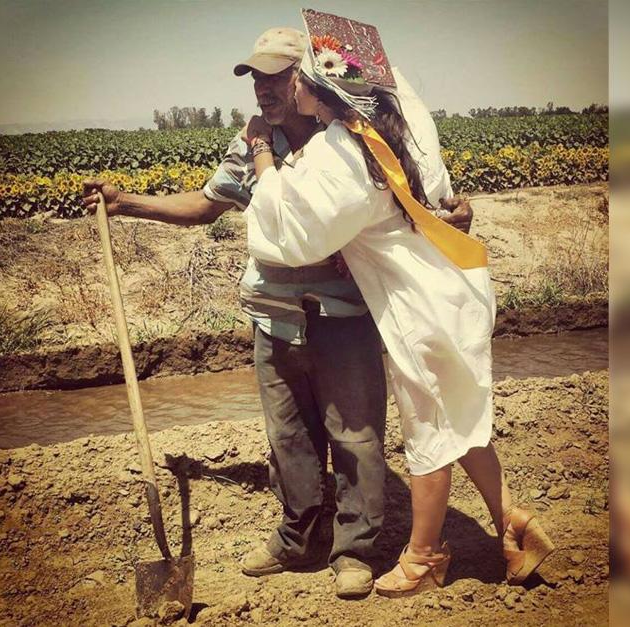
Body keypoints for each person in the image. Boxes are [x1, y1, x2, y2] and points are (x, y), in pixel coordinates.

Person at [82, 27, 472, 599]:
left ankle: (353, 550)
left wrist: (456, 215)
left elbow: (420, 201)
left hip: (343, 316)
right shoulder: (249, 146)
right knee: (288, 438)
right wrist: (126, 204)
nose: (262, 88)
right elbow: (204, 207)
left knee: (357, 436)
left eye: (274, 76)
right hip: (272, 316)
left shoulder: (350, 139)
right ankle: (297, 538)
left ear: (305, 79)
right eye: (255, 78)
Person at [242, 10, 555, 597]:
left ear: (323, 87)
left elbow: (287, 232)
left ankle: (425, 554)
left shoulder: (342, 151)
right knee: (459, 418)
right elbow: (430, 197)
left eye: (301, 78)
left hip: (414, 305)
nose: (292, 88)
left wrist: (262, 154)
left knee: (427, 426)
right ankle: (511, 521)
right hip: (449, 286)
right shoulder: (400, 116)